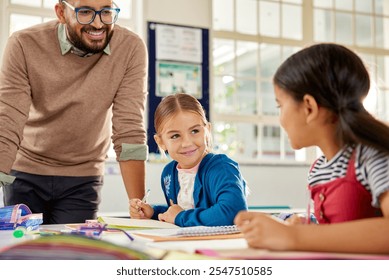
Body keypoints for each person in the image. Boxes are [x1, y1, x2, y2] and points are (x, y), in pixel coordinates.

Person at [0, 0, 148, 224]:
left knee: (73, 254)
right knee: (23, 251)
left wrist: (138, 206)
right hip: (26, 170)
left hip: (83, 176)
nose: (98, 23)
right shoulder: (23, 44)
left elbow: (129, 129)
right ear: (61, 12)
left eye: (106, 12)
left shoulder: (130, 48)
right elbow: (8, 120)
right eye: (85, 12)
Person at [234, 43, 389, 254]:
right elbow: (340, 234)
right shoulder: (319, 169)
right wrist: (310, 229)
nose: (280, 118)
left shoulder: (373, 156)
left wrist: (293, 236)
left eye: (280, 105)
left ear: (309, 107)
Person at [130, 93, 248, 226]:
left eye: (195, 131)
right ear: (161, 142)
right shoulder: (168, 173)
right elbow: (182, 212)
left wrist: (180, 216)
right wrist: (154, 212)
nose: (187, 143)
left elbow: (234, 212)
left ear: (207, 131)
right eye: (175, 136)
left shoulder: (221, 168)